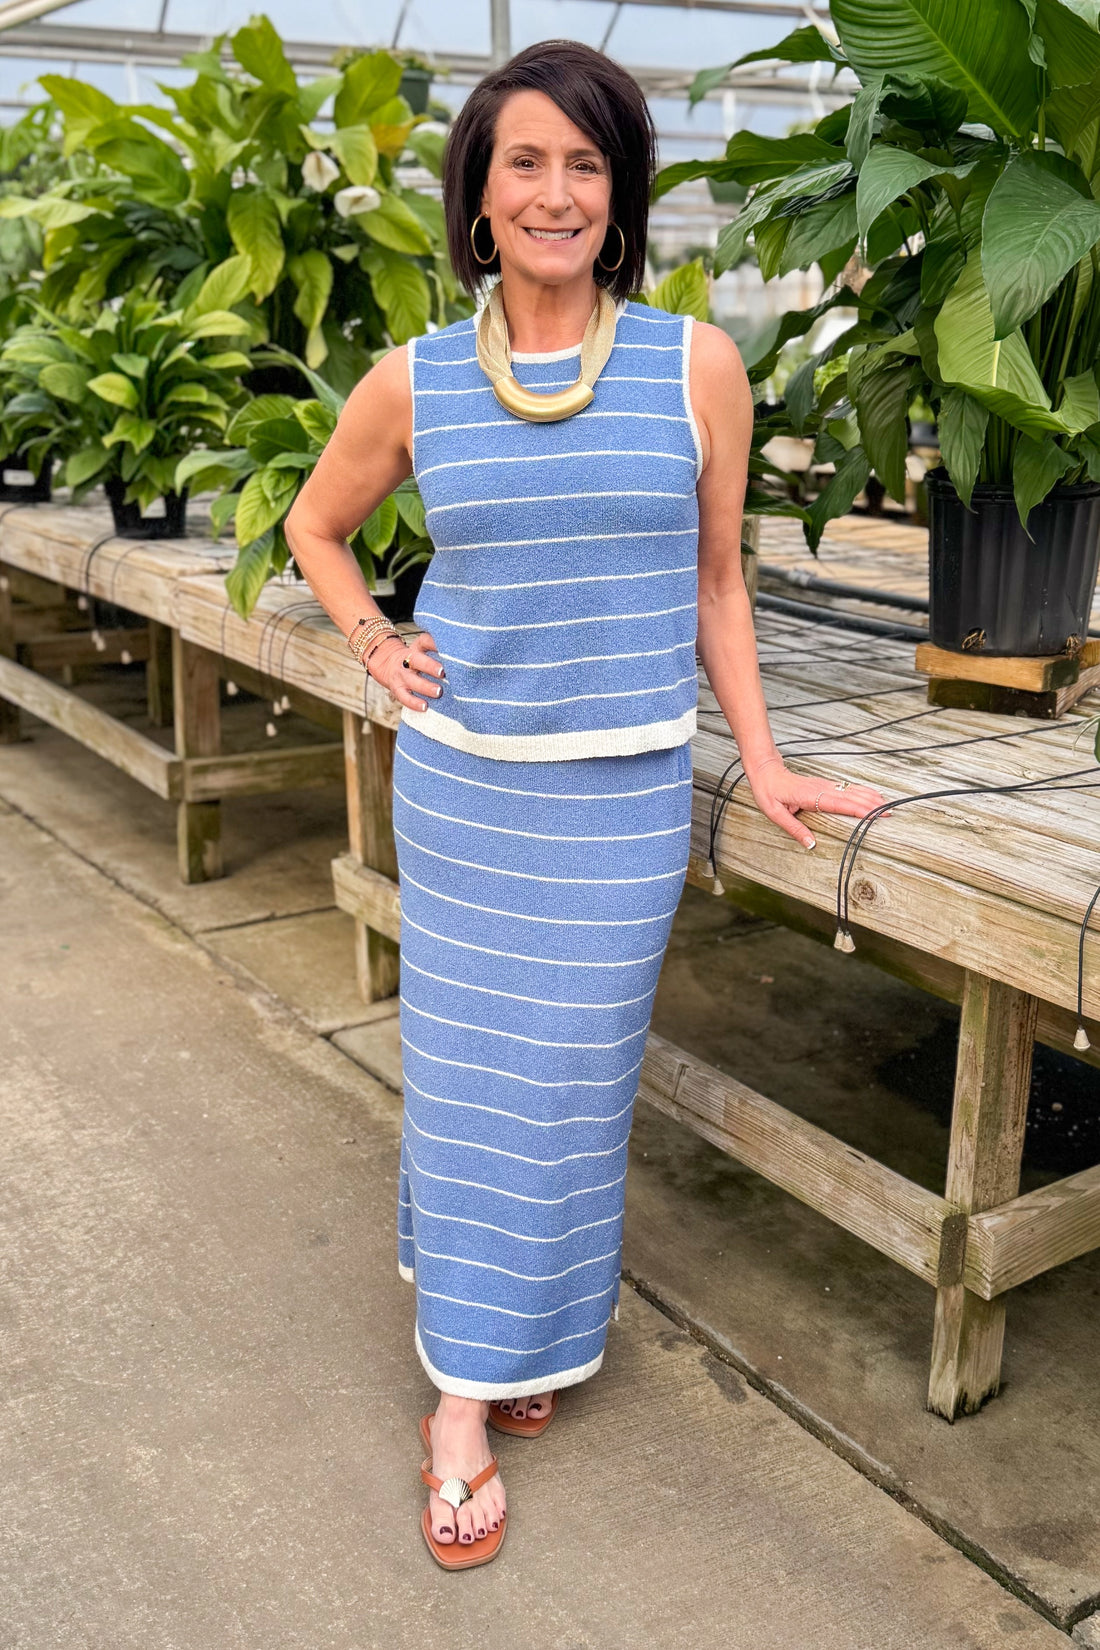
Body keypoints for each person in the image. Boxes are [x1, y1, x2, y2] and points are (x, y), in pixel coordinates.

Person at [285, 38, 886, 1571]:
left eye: (588, 163)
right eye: (527, 162)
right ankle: (461, 1406)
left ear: (620, 196)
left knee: (569, 1098)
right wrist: (373, 640)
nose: (557, 191)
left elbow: (716, 585)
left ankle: (518, 1327)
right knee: (476, 1084)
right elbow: (317, 524)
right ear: (480, 197)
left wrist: (756, 758)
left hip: (620, 801)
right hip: (472, 791)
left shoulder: (696, 365)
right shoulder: (412, 379)